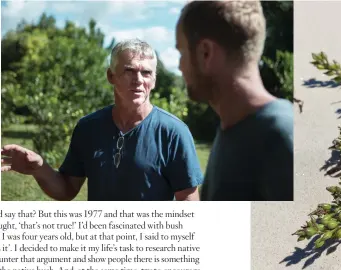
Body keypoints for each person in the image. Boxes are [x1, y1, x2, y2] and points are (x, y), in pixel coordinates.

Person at [1, 39, 204, 201]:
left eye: (146, 72)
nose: (139, 79)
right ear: (110, 76)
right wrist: (40, 168)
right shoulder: (88, 128)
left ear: (154, 80)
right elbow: (67, 190)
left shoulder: (173, 132)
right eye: (129, 71)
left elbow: (188, 201)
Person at [175, 0, 294, 201]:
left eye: (181, 52)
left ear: (206, 53)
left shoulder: (283, 137)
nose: (179, 66)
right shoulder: (232, 128)